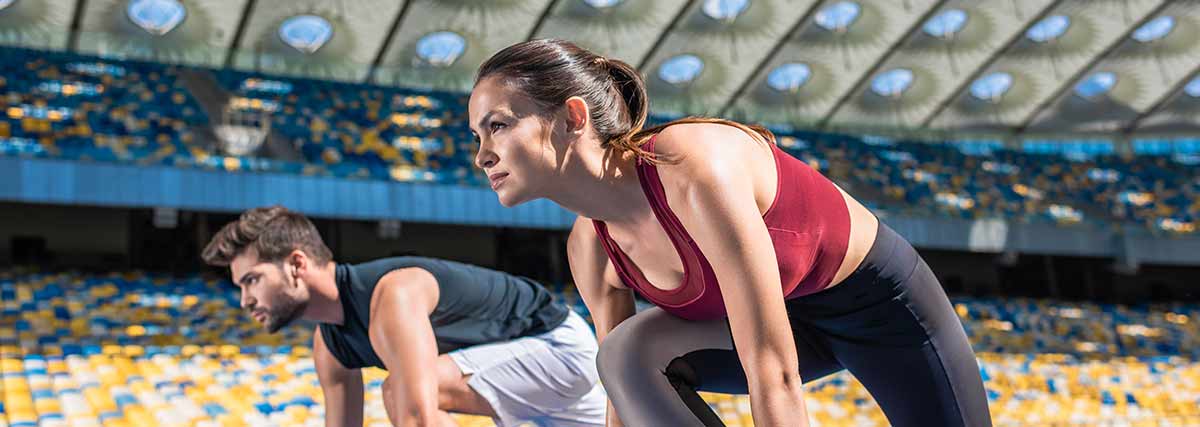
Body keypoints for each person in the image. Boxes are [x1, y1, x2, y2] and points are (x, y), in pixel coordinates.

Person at [467, 39, 992, 427]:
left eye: (499, 125)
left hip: (879, 308)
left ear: (571, 118)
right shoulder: (590, 248)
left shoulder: (694, 169)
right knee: (624, 355)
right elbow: (620, 402)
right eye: (477, 134)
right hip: (778, 331)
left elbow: (773, 371)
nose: (481, 154)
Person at [201, 206, 606, 427]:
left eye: (252, 280)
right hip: (528, 378)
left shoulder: (394, 295)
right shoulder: (330, 345)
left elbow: (419, 418)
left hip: (559, 350)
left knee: (400, 393)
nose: (244, 300)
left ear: (296, 264)